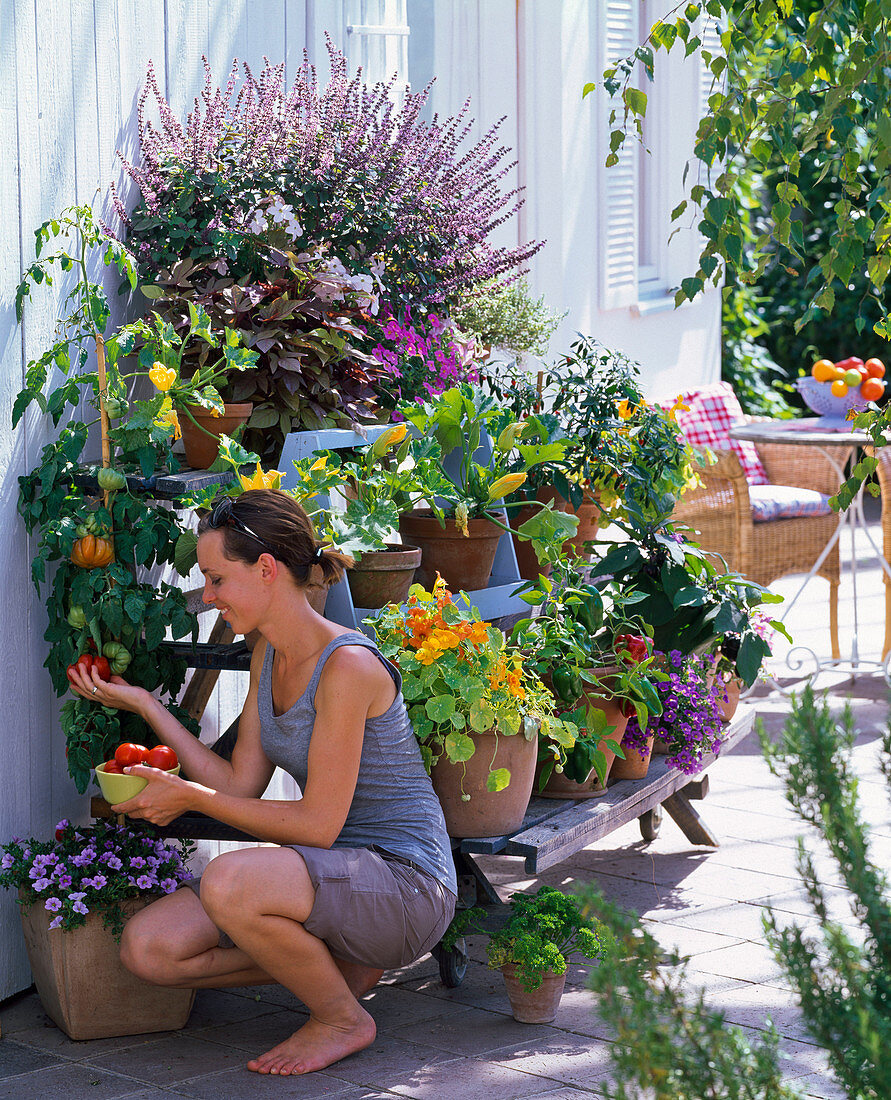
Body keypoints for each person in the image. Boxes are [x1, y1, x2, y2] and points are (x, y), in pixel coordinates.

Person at [67, 489, 457, 1076]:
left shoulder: (347, 666)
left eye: (218, 578)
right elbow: (238, 783)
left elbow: (319, 826)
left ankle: (342, 1018)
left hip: (405, 884)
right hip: (335, 883)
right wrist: (147, 705)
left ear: (267, 570)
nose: (209, 595)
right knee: (149, 950)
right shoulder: (268, 656)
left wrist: (189, 800)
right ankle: (333, 969)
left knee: (229, 880)